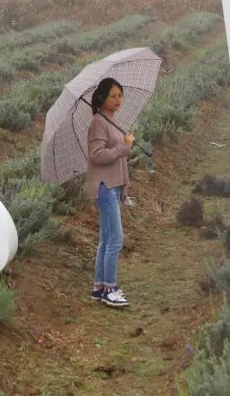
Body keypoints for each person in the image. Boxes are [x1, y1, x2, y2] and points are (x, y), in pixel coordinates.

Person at [87, 77, 134, 308]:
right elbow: (96, 155)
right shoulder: (98, 123)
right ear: (102, 98)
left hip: (112, 186)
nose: (118, 100)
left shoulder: (111, 121)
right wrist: (123, 147)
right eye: (113, 96)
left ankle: (100, 287)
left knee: (106, 239)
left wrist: (123, 146)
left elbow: (116, 154)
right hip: (104, 187)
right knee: (116, 239)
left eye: (120, 95)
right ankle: (111, 289)